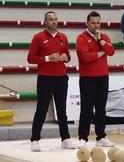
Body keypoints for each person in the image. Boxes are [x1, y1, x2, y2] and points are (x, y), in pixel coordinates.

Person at [27, 11, 74, 151]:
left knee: (62, 110)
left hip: (61, 78)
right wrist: (48, 58)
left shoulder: (63, 37)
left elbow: (68, 56)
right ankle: (35, 139)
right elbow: (30, 58)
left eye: (55, 19)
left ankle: (65, 138)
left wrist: (66, 57)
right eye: (51, 19)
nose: (54, 21)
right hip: (45, 78)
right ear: (45, 22)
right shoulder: (38, 37)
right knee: (41, 109)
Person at [76, 11, 115, 148]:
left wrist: (101, 41)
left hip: (103, 77)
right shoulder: (81, 38)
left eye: (98, 23)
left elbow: (111, 51)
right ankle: (83, 137)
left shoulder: (103, 36)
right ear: (87, 23)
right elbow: (85, 58)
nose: (96, 26)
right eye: (93, 23)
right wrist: (100, 52)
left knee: (101, 108)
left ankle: (101, 136)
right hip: (87, 78)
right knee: (86, 109)